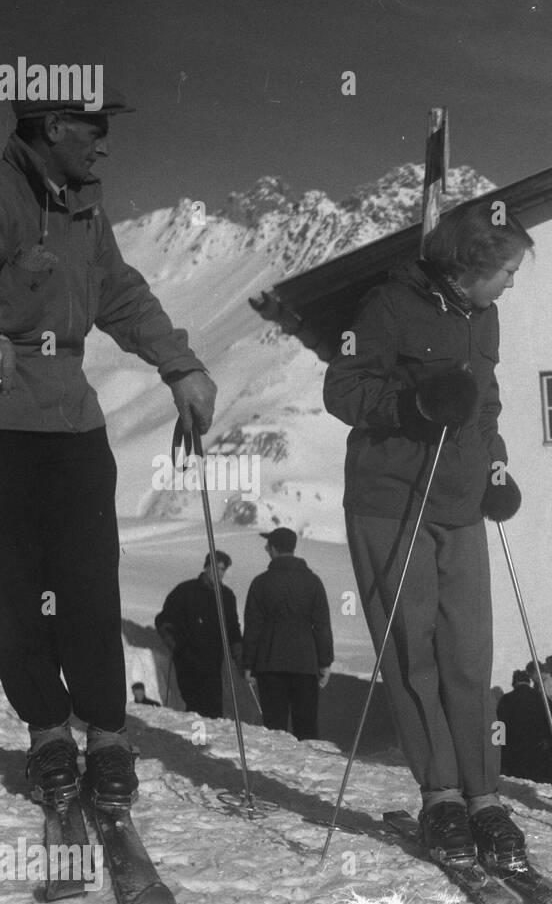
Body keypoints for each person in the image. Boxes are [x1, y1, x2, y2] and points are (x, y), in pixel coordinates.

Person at [1, 88, 217, 811]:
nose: (104, 144)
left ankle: (106, 732)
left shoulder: (83, 206)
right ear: (54, 125)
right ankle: (45, 730)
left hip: (74, 423)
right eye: (94, 129)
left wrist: (179, 365)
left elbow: (118, 293)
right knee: (13, 588)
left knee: (90, 579)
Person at [323, 196, 532, 868]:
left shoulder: (485, 315)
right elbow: (342, 388)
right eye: (505, 271)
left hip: (461, 503)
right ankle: (440, 795)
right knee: (412, 651)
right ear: (469, 265)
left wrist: (496, 465)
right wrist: (411, 406)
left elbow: (486, 403)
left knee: (469, 654)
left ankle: (484, 797)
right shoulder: (387, 307)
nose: (511, 284)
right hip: (392, 501)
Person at [241, 527, 334, 741]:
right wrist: (325, 662)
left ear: (273, 548)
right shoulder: (313, 583)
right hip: (305, 664)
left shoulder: (260, 583)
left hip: (269, 663)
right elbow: (321, 626)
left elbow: (253, 626)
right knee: (307, 728)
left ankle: (275, 768)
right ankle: (309, 772)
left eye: (268, 545)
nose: (265, 548)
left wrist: (248, 664)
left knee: (274, 730)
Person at [156, 552, 242, 720]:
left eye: (223, 570)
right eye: (216, 568)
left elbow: (233, 628)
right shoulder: (185, 591)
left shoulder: (226, 596)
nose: (219, 573)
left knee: (213, 707)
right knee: (195, 705)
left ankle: (206, 742)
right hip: (187, 658)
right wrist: (172, 642)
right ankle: (197, 741)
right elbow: (164, 619)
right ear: (207, 566)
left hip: (213, 660)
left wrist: (238, 653)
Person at [496, 665, 552, 784]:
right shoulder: (539, 698)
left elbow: (498, 726)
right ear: (528, 682)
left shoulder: (506, 699)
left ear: (513, 683)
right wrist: (551, 740)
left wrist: (498, 750)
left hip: (514, 754)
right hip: (538, 752)